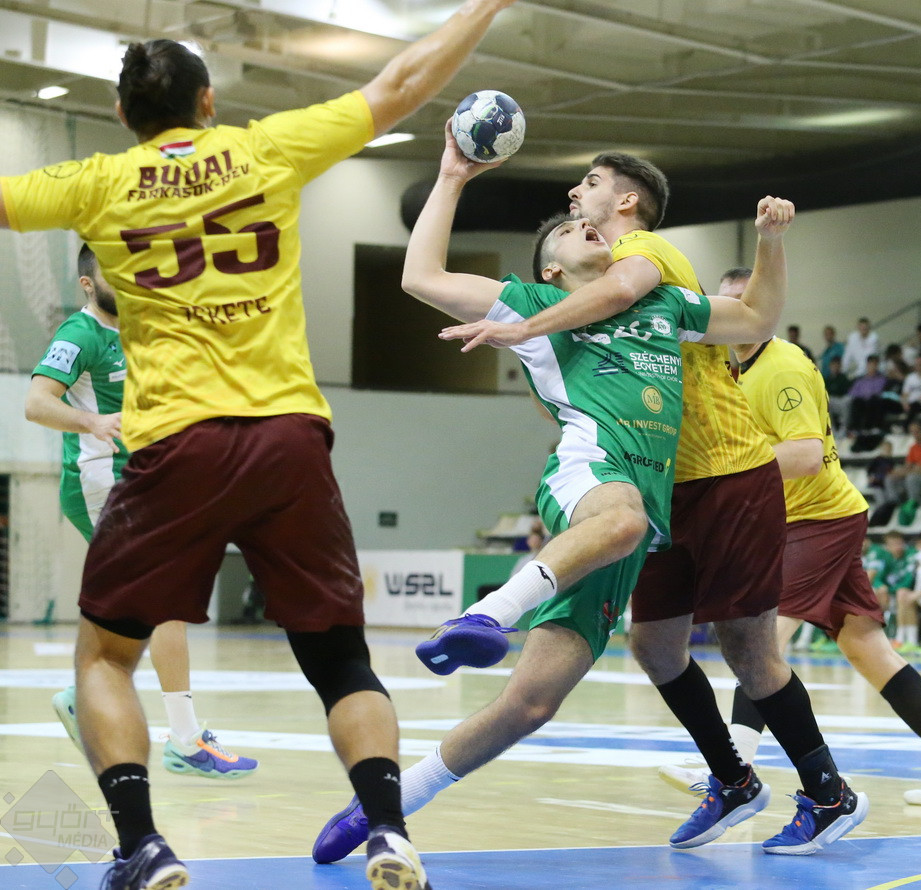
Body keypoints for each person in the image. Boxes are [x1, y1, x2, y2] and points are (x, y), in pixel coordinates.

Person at [0, 5, 518, 888]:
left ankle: (143, 847)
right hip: (288, 439)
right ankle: (389, 833)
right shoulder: (264, 149)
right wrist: (487, 6)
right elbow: (400, 84)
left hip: (174, 445)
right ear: (208, 102)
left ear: (123, 115)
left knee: (105, 658)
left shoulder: (95, 183)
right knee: (341, 660)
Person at [311, 141, 851, 862]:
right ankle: (487, 615)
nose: (580, 216)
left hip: (655, 510)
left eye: (588, 205)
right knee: (624, 522)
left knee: (534, 700)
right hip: (592, 477)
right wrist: (450, 177)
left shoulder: (661, 299)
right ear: (550, 270)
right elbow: (421, 276)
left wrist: (770, 243)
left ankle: (392, 801)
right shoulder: (534, 302)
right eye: (568, 229)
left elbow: (754, 318)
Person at [660, 317, 921, 806]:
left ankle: (731, 768)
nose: (729, 320)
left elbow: (806, 455)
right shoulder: (743, 372)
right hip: (808, 519)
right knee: (867, 648)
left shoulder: (780, 366)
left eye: (742, 306)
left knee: (760, 642)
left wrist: (728, 471)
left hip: (820, 519)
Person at [25, 245, 257, 779]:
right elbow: (36, 404)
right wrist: (91, 423)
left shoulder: (147, 327)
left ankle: (85, 696)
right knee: (168, 599)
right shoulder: (79, 334)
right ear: (88, 284)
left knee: (149, 601)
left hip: (144, 481)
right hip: (100, 481)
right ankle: (186, 741)